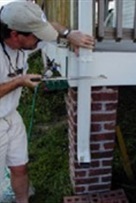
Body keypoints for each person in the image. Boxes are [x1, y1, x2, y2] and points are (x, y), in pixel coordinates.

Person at [0, 1, 94, 203]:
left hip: (11, 116)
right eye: (36, 36)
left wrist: (70, 34)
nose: (40, 40)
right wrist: (18, 81)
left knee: (20, 167)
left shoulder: (26, 37)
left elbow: (52, 25)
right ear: (16, 34)